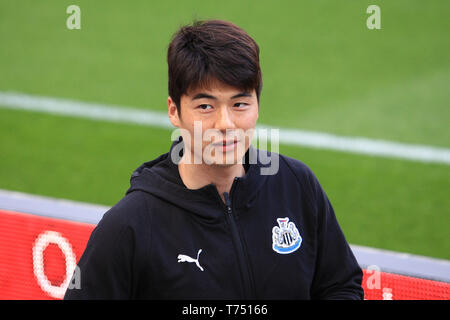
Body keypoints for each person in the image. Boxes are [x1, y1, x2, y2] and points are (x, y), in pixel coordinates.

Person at [64, 19, 364, 300]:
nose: (225, 123)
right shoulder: (129, 225)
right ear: (173, 110)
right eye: (206, 105)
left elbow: (340, 285)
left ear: (257, 106)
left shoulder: (297, 184)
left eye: (240, 104)